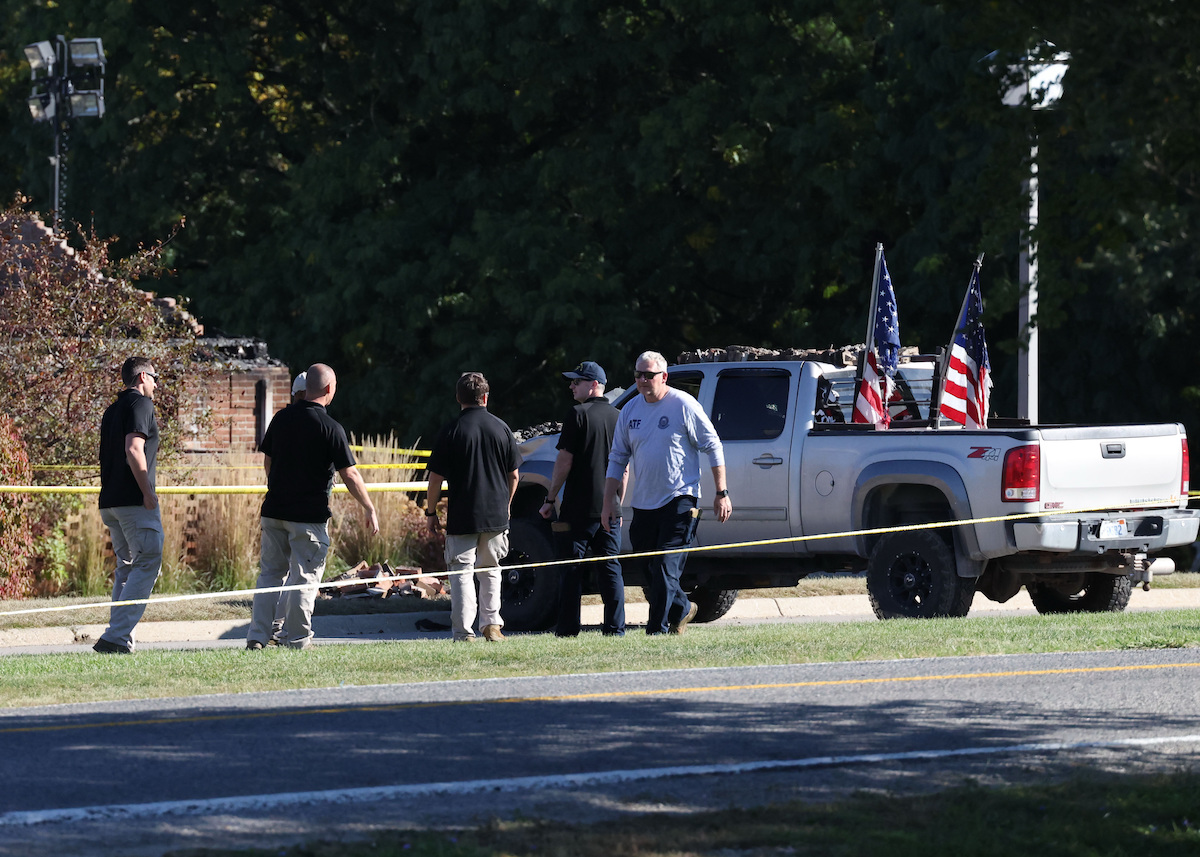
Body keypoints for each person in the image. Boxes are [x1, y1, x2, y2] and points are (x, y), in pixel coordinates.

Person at [246, 363, 379, 650]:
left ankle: (257, 636)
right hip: (308, 518)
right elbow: (350, 474)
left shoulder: (281, 419)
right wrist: (369, 507)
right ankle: (296, 638)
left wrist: (279, 486)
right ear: (329, 389)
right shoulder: (331, 427)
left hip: (274, 511)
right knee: (304, 578)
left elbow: (268, 461)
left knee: (269, 574)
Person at [601, 351, 732, 635]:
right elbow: (617, 458)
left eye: (649, 375)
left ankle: (657, 631)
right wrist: (609, 502)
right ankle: (683, 607)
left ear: (664, 377)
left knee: (663, 568)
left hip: (680, 500)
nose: (643, 380)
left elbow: (713, 445)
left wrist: (721, 492)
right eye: (638, 374)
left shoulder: (683, 405)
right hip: (644, 504)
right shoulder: (630, 411)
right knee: (648, 570)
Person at [425, 372, 522, 642]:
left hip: (462, 515)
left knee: (462, 573)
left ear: (458, 398)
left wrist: (431, 512)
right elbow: (514, 475)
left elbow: (435, 479)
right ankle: (492, 626)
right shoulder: (501, 428)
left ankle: (464, 632)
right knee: (491, 570)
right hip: (495, 515)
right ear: (486, 397)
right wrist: (507, 505)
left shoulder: (451, 429)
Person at [539, 361, 625, 637]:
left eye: (578, 381)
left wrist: (550, 498)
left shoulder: (577, 414)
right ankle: (615, 628)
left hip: (578, 508)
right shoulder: (619, 416)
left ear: (595, 385)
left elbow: (564, 461)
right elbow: (624, 468)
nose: (572, 386)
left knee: (571, 569)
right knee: (610, 568)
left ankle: (567, 629)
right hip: (610, 508)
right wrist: (617, 501)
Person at [93, 357, 165, 654]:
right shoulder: (141, 404)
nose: (157, 384)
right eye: (155, 378)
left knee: (127, 568)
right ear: (142, 377)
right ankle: (115, 635)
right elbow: (134, 449)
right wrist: (147, 492)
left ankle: (120, 638)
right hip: (133, 502)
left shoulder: (111, 410)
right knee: (148, 560)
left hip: (110, 501)